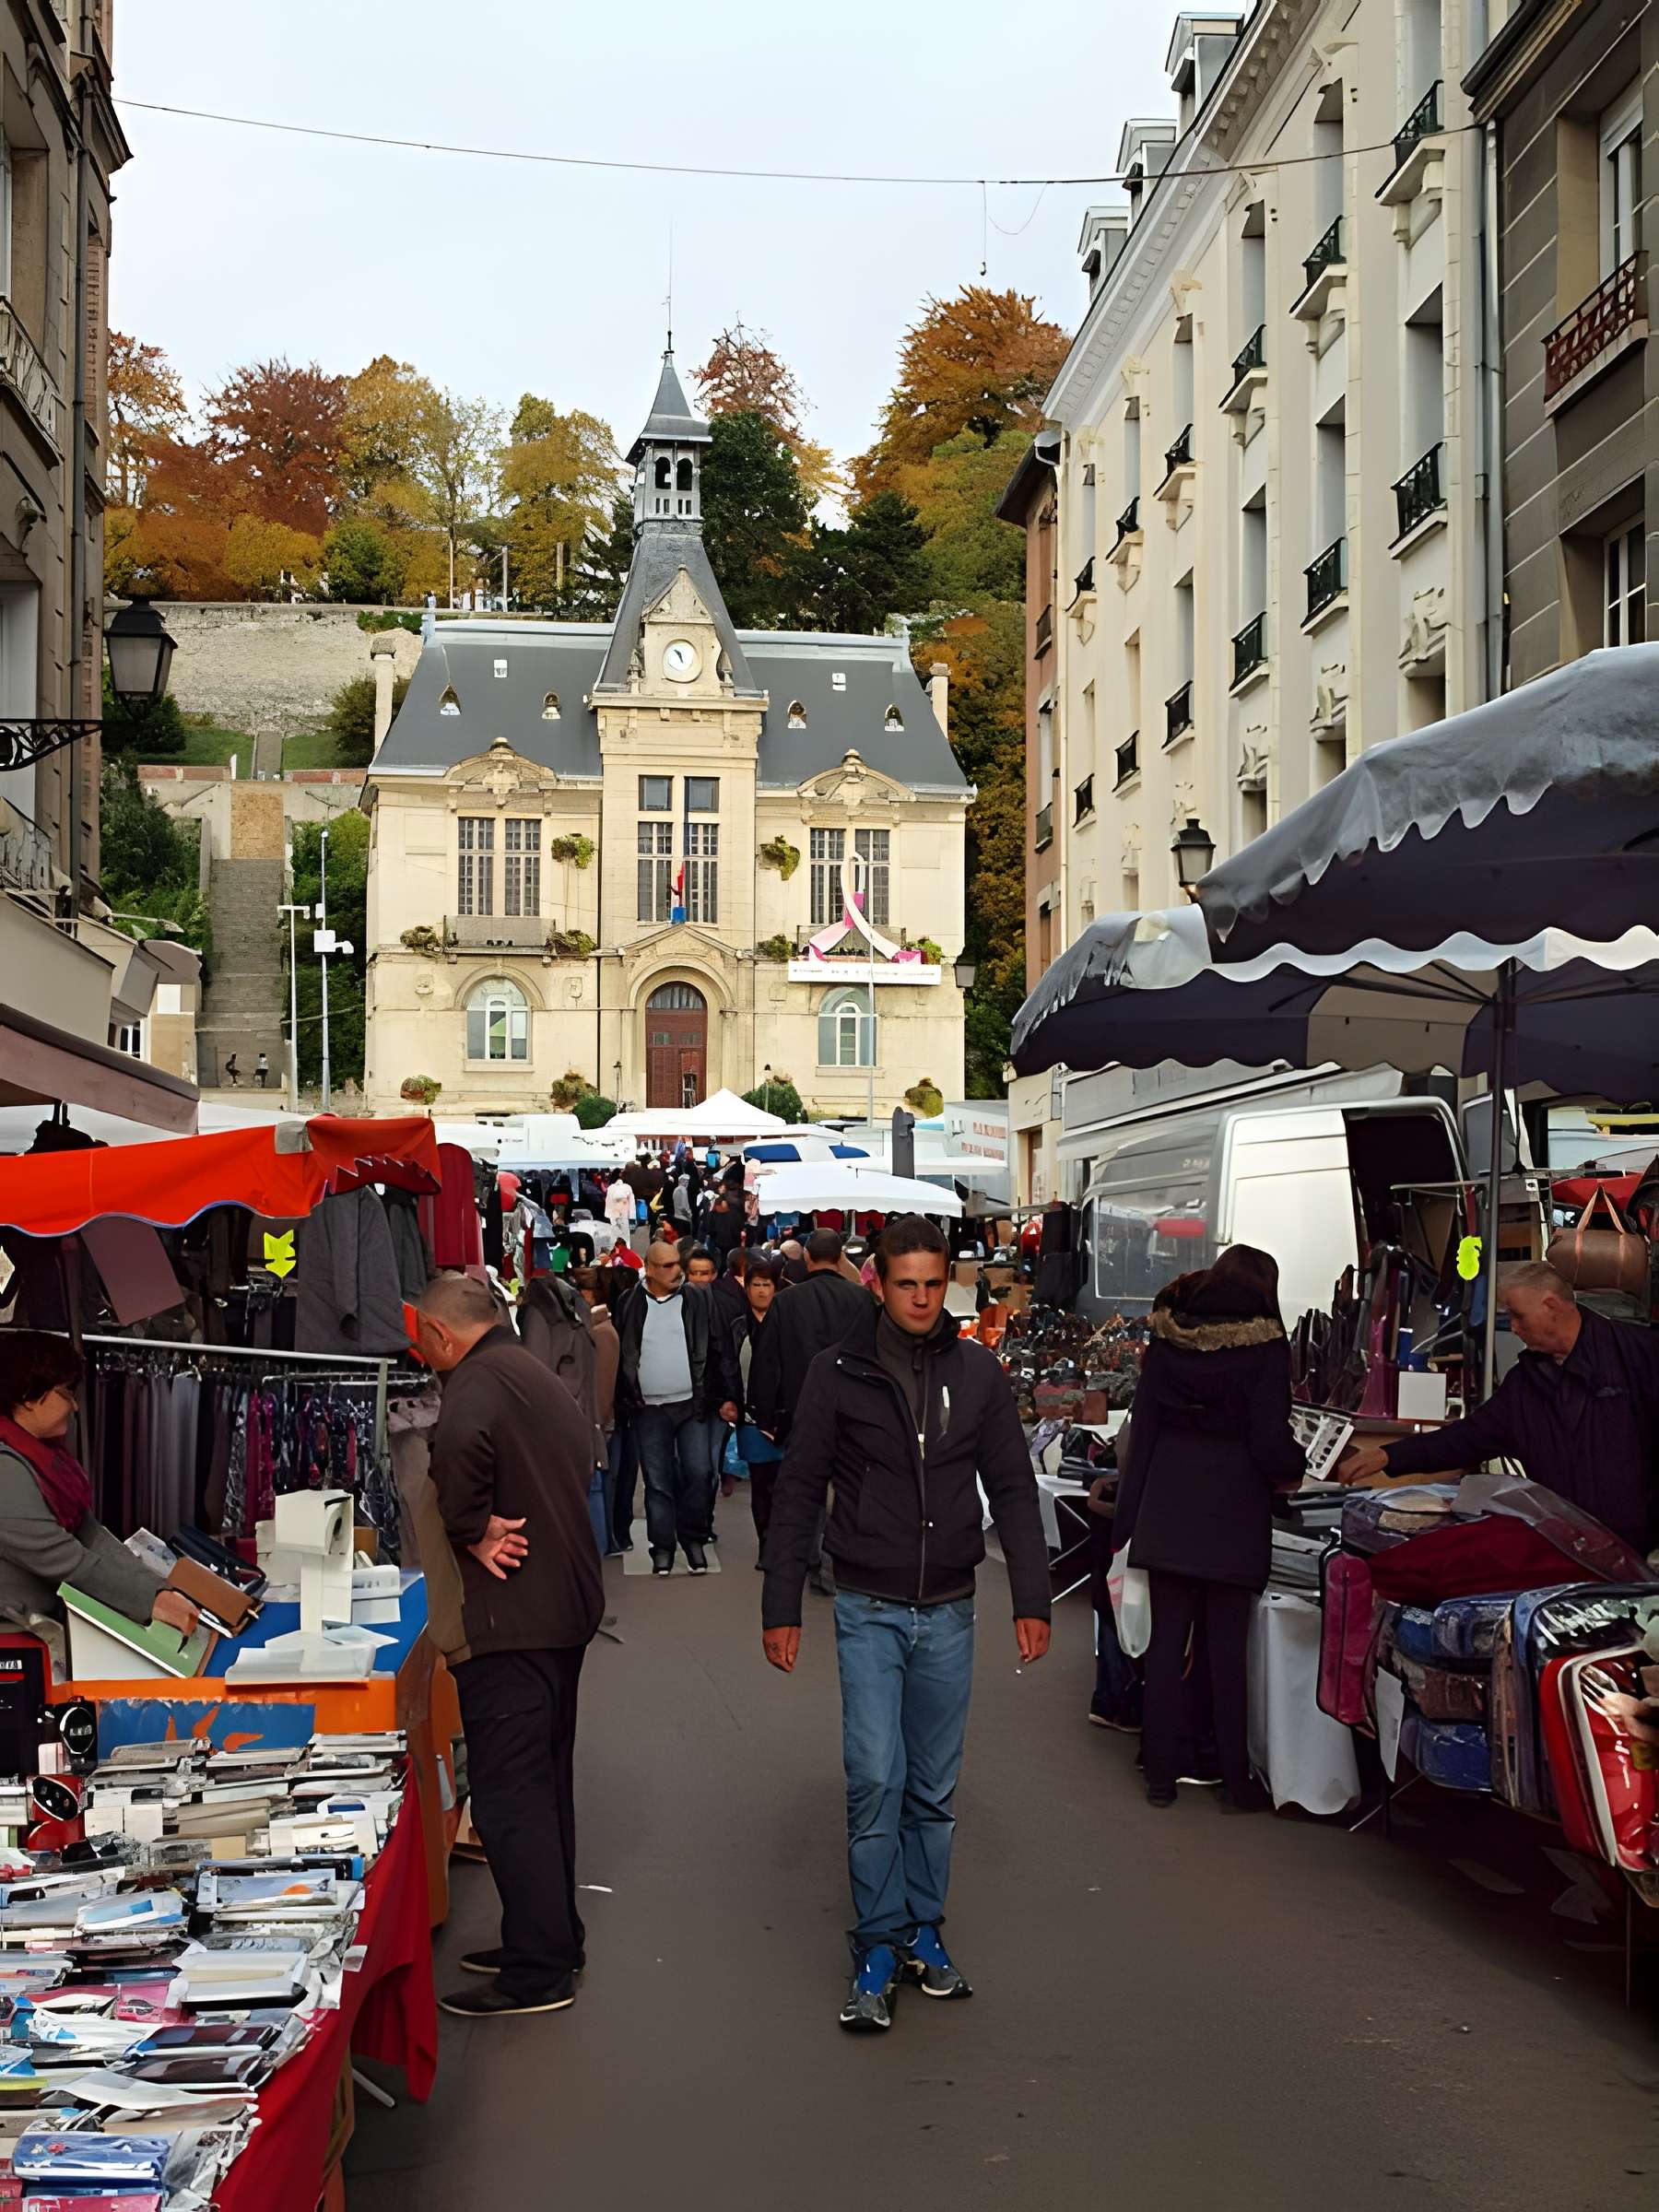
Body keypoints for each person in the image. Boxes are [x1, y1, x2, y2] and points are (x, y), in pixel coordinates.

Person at [762, 1217, 1052, 2033]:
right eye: (906, 1284)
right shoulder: (836, 1374)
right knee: (875, 1780)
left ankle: (926, 1928)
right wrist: (781, 1606)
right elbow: (797, 1491)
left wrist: (1031, 1596)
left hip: (951, 1612)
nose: (922, 1298)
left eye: (933, 1284)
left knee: (931, 1788)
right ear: (878, 1284)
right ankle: (879, 1941)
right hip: (867, 1611)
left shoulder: (981, 1374)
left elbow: (1015, 1490)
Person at [412, 1275, 604, 2019]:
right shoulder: (522, 1367)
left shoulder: (476, 1383)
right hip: (555, 1608)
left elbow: (457, 1452)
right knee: (541, 1786)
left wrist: (469, 1526)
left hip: (514, 1621)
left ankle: (538, 1968)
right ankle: (549, 1938)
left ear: (437, 1334)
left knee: (511, 1797)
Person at [1113, 1245, 1304, 1813]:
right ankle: (1233, 1781)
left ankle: (1160, 1775)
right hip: (1233, 1512)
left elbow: (1142, 1429)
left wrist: (1129, 1521)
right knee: (1227, 1653)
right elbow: (1270, 1438)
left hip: (1168, 1505)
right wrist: (1292, 1471)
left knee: (1166, 1649)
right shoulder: (1266, 1345)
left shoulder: (1168, 1338)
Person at [1339, 1259, 1659, 1551]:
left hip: (1638, 1552)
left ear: (1551, 1305)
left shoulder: (1639, 1354)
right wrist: (1389, 1455)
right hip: (1562, 1546)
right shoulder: (1525, 1383)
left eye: (1518, 1316)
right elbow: (1466, 1439)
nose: (1514, 1328)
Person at [0, 1335, 200, 1655]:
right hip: (14, 1641)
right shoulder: (6, 1469)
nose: (75, 1406)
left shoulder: (42, 1457)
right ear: (28, 1397)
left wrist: (159, 1588)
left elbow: (91, 1534)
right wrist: (153, 1599)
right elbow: (67, 1560)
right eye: (66, 1393)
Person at [615, 1240, 715, 1575]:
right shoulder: (629, 1303)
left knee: (700, 1473)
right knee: (657, 1483)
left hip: (692, 1405)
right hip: (649, 1409)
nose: (677, 1271)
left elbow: (715, 1346)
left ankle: (694, 1539)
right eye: (668, 1266)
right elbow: (623, 1356)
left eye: (677, 1263)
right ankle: (663, 1548)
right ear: (649, 1268)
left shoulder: (697, 1299)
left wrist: (725, 1396)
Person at [517, 1272, 608, 1559]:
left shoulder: (540, 1319)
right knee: (590, 1487)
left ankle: (580, 1558)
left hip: (558, 1421)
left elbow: (535, 1373)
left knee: (568, 1494)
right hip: (584, 1417)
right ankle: (593, 1554)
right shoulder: (576, 1317)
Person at [716, 1258, 784, 1562]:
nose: (760, 1291)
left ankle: (785, 1543)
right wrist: (730, 1400)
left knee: (784, 1484)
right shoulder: (737, 1325)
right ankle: (766, 1545)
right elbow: (728, 1366)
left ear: (776, 1287)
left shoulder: (788, 1323)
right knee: (760, 1483)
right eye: (755, 1284)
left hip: (784, 1416)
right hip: (750, 1416)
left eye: (766, 1284)